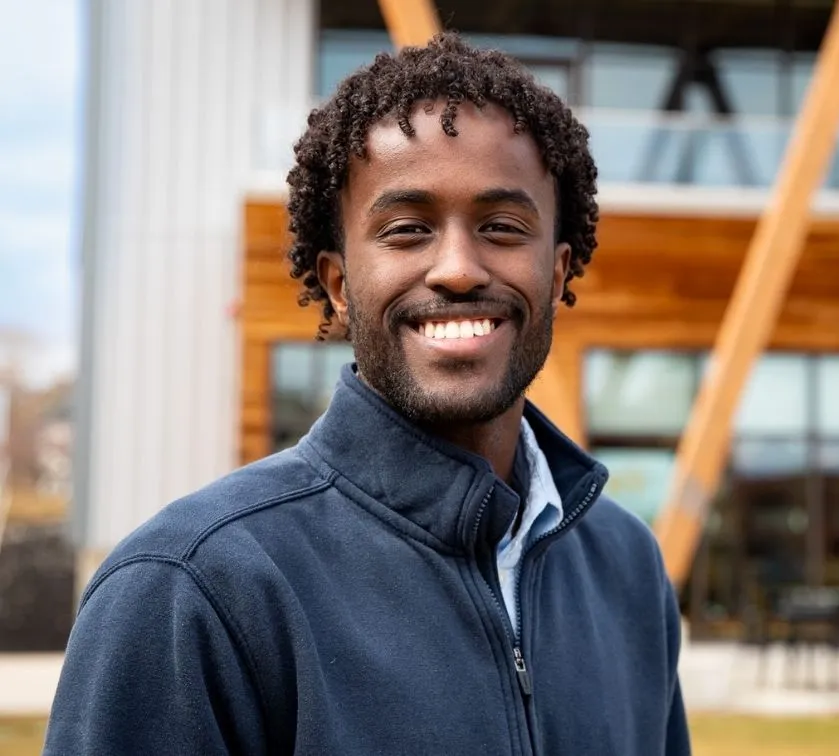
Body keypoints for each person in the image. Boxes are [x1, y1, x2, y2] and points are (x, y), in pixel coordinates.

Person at [44, 31, 690, 755]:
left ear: (559, 269)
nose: (457, 269)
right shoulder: (190, 588)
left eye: (502, 227)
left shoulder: (627, 568)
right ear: (339, 284)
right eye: (408, 229)